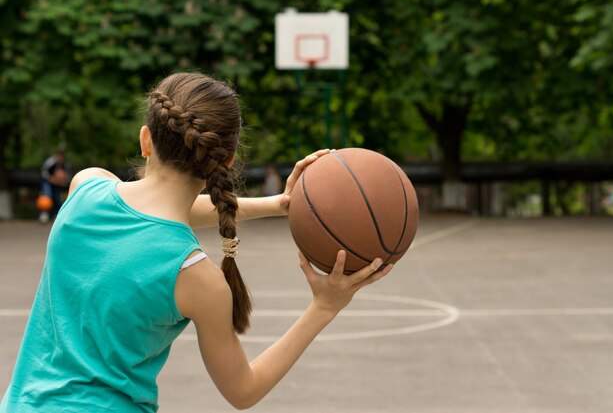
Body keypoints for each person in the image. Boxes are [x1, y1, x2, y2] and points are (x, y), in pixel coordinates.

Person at [0, 72, 393, 413]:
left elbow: (151, 213)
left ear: (145, 140)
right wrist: (324, 306)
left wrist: (280, 205)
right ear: (226, 161)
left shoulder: (85, 188)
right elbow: (243, 390)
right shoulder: (194, 276)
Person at [38, 148, 69, 223]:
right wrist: (51, 178)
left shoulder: (64, 164)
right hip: (47, 182)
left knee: (57, 198)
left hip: (57, 183)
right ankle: (44, 214)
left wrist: (62, 180)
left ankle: (57, 215)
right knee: (47, 196)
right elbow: (43, 173)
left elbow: (66, 176)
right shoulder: (50, 162)